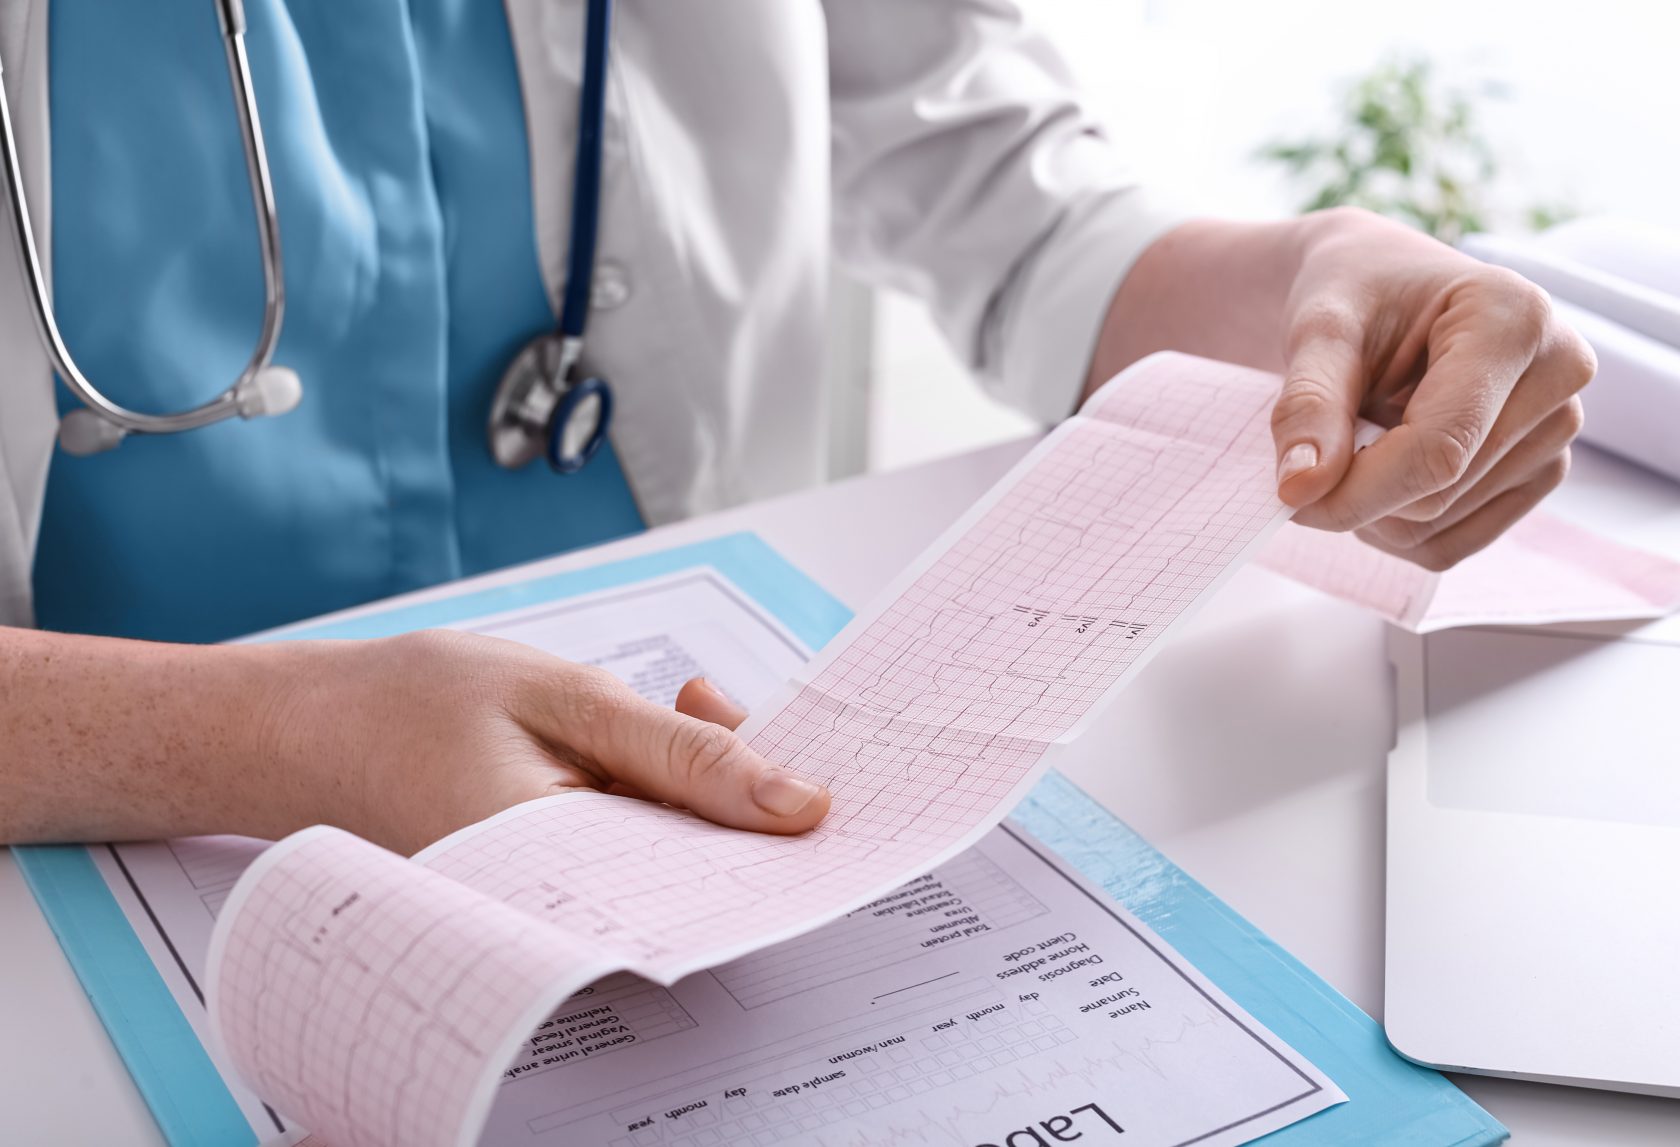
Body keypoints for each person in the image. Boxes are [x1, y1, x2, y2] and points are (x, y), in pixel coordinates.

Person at [0, 1, 1591, 855]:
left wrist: (1311, 289)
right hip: (101, 867)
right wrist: (265, 737)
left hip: (715, 749)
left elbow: (1001, 189)